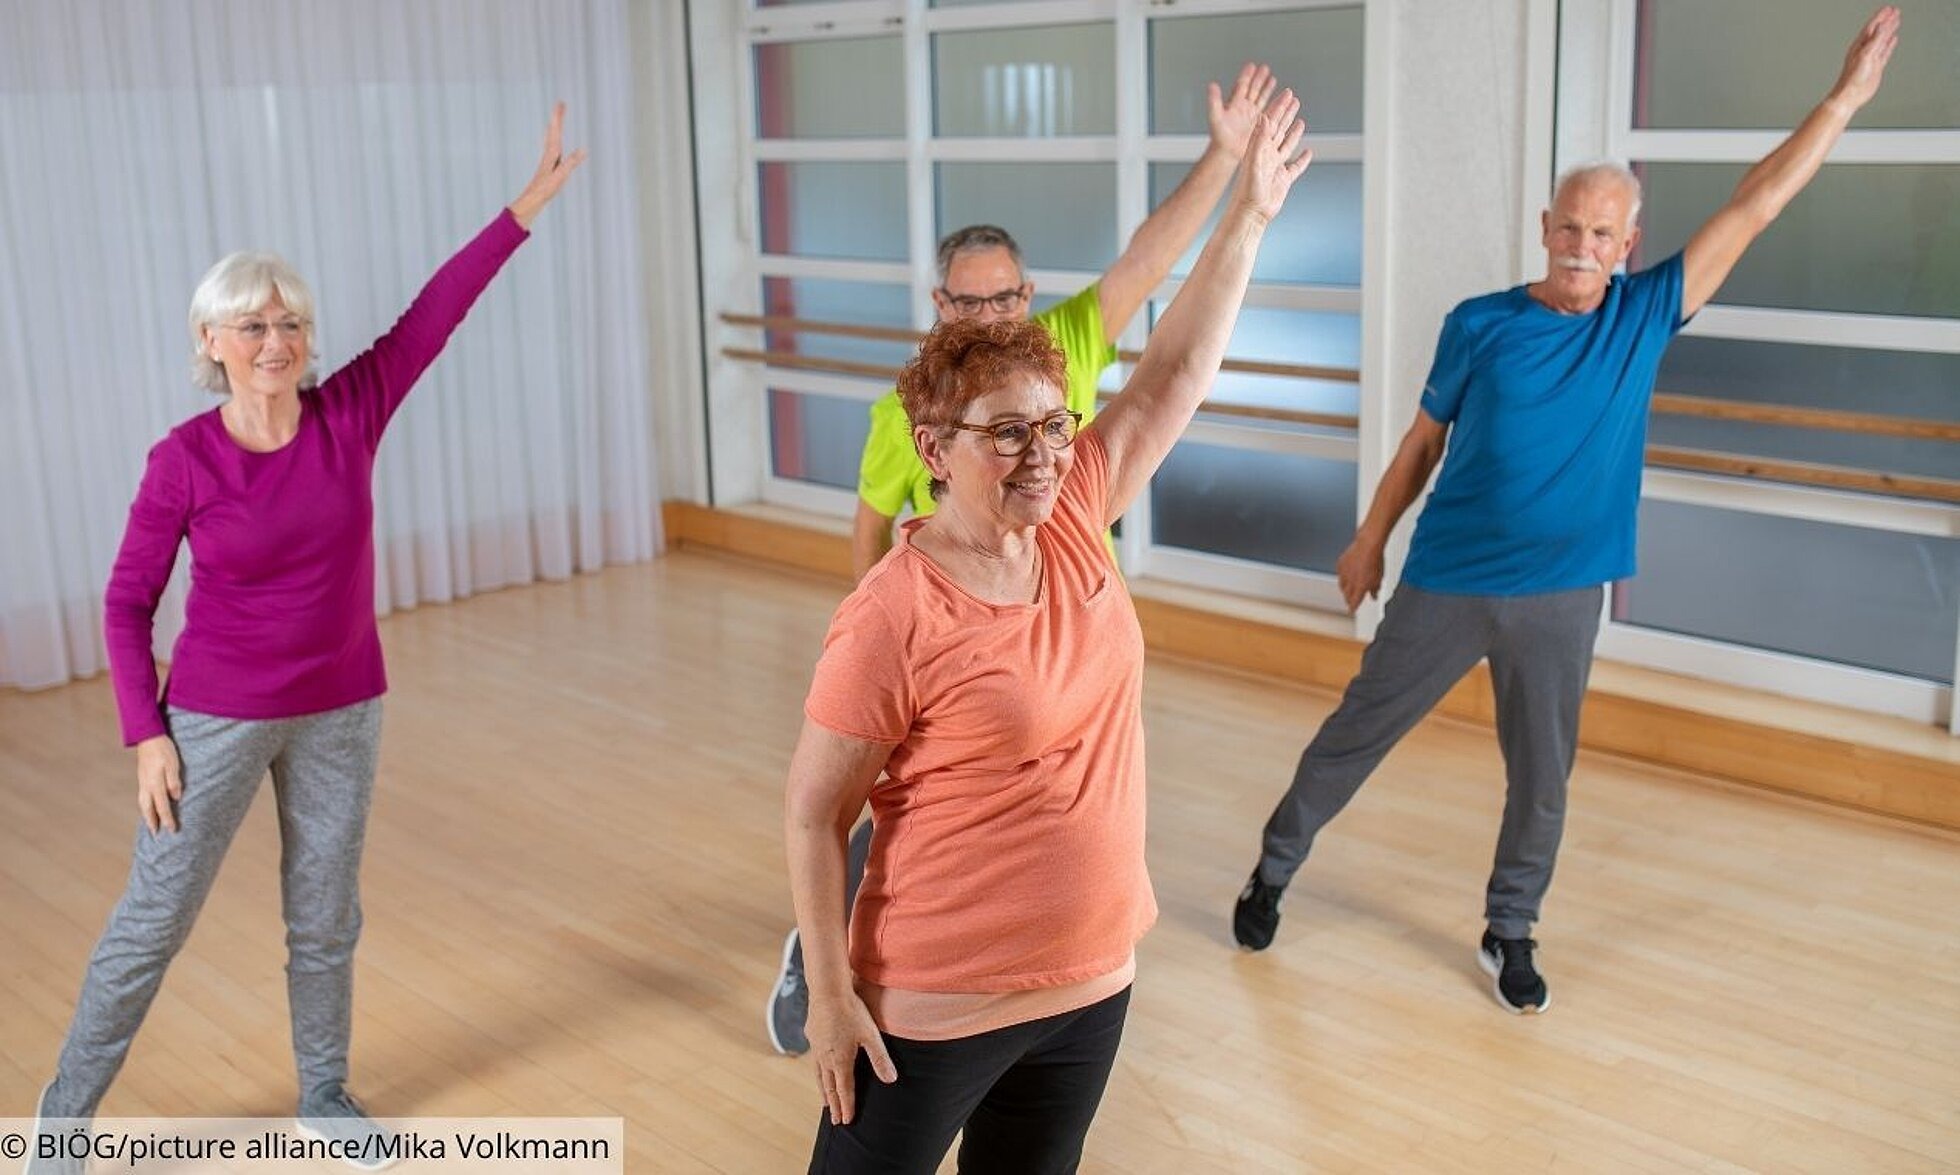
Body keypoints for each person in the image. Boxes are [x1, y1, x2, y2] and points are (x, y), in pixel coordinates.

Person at [1232, 8, 1901, 1016]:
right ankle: (1272, 871)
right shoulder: (1480, 322)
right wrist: (1369, 536)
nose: (1582, 245)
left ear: (1626, 243)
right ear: (1544, 227)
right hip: (1446, 578)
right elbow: (1419, 446)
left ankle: (1511, 927)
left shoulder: (1643, 314)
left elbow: (1756, 203)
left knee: (1540, 777)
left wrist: (1843, 98)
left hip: (1561, 594)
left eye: (1603, 232)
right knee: (1352, 737)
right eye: (1569, 226)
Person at [26, 107, 585, 1174]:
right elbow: (124, 604)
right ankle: (62, 1120)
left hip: (342, 706)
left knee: (325, 914)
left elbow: (434, 312)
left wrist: (522, 211)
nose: (274, 343)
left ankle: (323, 1091)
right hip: (214, 720)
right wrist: (147, 733)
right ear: (211, 342)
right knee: (154, 921)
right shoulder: (182, 458)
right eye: (251, 327)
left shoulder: (350, 412)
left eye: (288, 325)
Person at [785, 101, 1311, 1175]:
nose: (1043, 452)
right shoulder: (894, 609)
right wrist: (832, 999)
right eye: (1008, 431)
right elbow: (811, 812)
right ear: (934, 447)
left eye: (1056, 421)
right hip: (931, 1005)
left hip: (1089, 986)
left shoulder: (1073, 515)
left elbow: (1169, 374)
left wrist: (1249, 214)